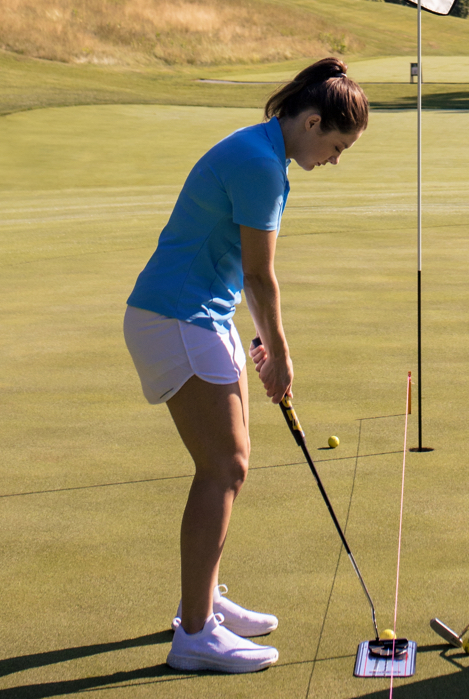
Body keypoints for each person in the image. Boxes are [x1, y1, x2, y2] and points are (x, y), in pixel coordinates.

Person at [122, 58, 367, 673]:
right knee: (223, 467)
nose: (336, 159)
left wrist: (255, 338)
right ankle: (196, 634)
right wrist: (280, 354)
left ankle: (204, 603)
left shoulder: (262, 151)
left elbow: (236, 268)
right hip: (177, 316)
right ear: (311, 121)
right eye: (337, 145)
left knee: (231, 466)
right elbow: (260, 274)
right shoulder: (261, 166)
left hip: (201, 313)